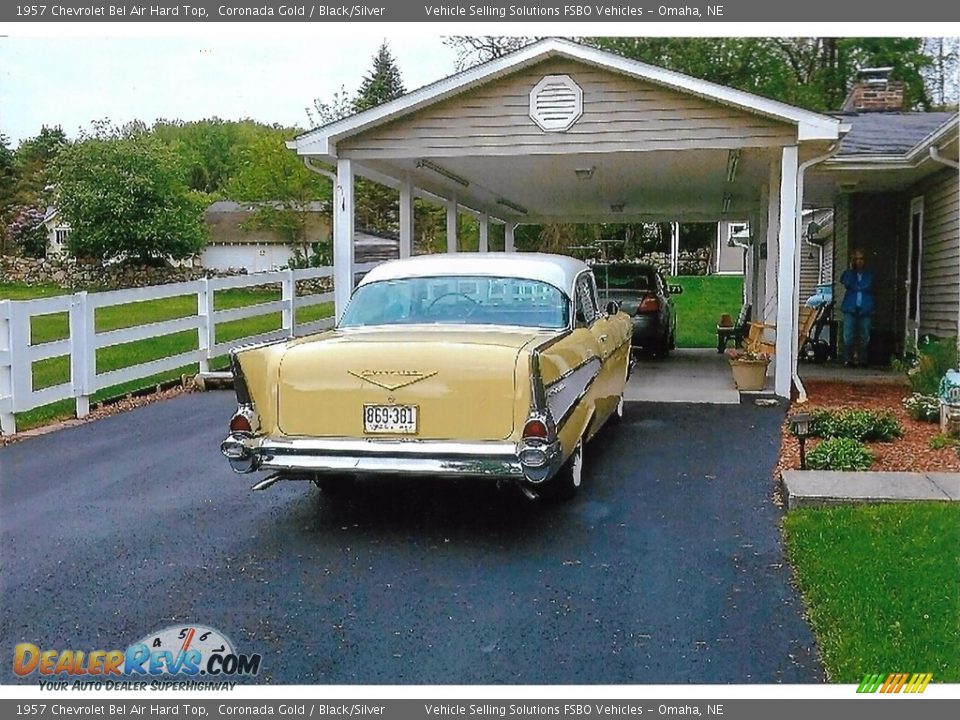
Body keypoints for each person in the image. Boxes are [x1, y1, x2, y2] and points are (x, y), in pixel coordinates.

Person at [839, 249, 874, 367]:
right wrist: (851, 269)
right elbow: (846, 282)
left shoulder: (869, 274)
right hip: (850, 307)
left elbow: (867, 284)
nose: (859, 262)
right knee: (848, 335)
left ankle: (863, 360)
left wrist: (856, 286)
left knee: (865, 335)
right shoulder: (849, 274)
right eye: (857, 259)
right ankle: (848, 360)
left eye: (861, 259)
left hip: (865, 307)